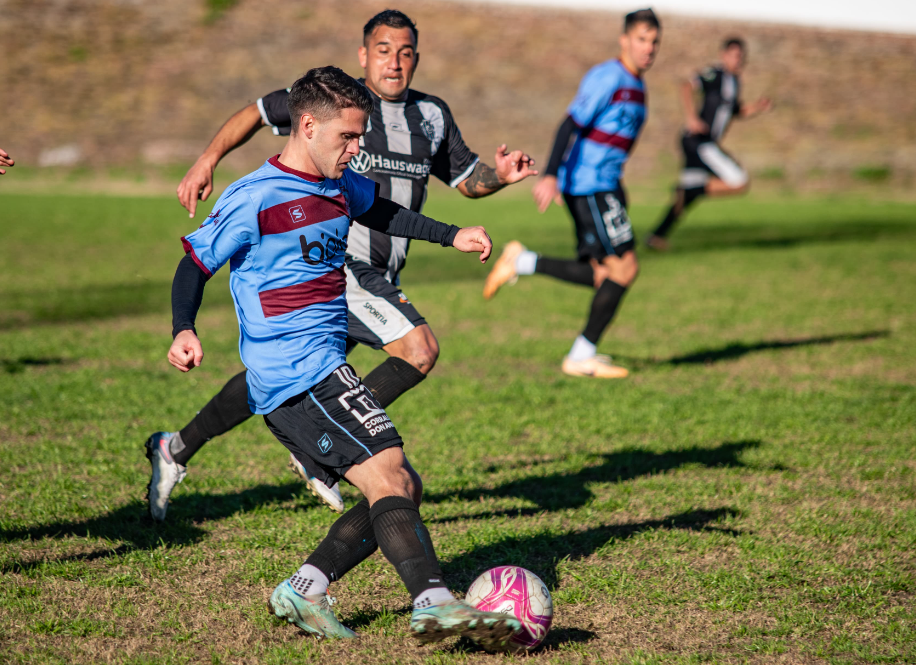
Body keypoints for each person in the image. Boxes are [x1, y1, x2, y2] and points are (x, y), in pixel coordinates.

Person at [165, 66, 521, 646]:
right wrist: (184, 329)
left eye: (361, 137)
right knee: (389, 474)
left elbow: (381, 211)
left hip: (325, 367)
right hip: (295, 376)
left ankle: (304, 589)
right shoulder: (255, 197)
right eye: (348, 138)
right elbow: (194, 264)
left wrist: (450, 234)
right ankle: (433, 604)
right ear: (306, 126)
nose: (357, 151)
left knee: (403, 484)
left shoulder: (338, 184)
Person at [146, 9, 536, 520]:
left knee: (279, 380)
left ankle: (175, 448)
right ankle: (324, 439)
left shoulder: (432, 117)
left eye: (406, 52)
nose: (394, 63)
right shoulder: (333, 101)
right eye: (383, 50)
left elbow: (465, 180)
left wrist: (499, 177)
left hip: (383, 272)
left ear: (417, 57)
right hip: (341, 265)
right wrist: (208, 158)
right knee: (418, 348)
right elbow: (254, 113)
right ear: (363, 54)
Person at [482, 8, 661, 379]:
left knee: (602, 274)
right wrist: (550, 175)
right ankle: (581, 355)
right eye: (642, 39)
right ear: (624, 39)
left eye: (655, 41)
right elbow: (570, 124)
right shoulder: (607, 77)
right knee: (625, 268)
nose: (649, 48)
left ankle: (523, 262)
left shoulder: (638, 84)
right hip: (591, 185)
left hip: (606, 184)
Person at [645, 38, 772, 250]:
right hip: (699, 141)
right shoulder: (715, 74)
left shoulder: (735, 83)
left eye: (740, 56)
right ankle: (693, 189)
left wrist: (757, 107)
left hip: (700, 143)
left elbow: (736, 111)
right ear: (723, 55)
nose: (737, 60)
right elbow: (687, 86)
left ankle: (656, 236)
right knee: (739, 181)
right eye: (733, 55)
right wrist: (691, 117)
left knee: (684, 199)